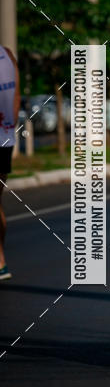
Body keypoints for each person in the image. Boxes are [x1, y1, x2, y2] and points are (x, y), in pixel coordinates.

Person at [0, 45, 19, 280]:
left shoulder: (7, 55)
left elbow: (15, 98)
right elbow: (16, 99)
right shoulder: (7, 55)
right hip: (5, 138)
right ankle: (1, 259)